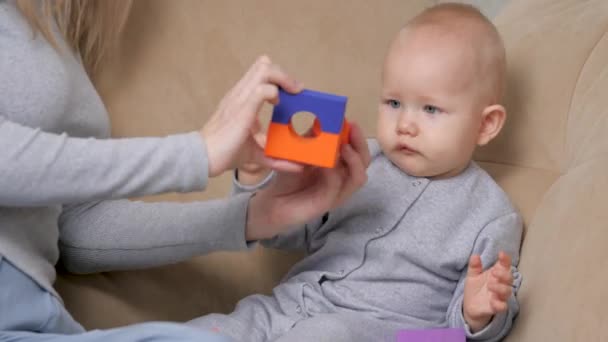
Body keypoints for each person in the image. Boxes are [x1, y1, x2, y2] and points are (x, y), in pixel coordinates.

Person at [0, 0, 370, 341]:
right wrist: (197, 153)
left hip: (34, 322)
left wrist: (254, 216)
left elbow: (77, 232)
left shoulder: (61, 38)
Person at [184, 3, 523, 342]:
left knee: (326, 333)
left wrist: (476, 314)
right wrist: (256, 176)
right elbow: (279, 230)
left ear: (485, 124)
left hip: (381, 331)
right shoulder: (358, 158)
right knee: (214, 328)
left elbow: (460, 333)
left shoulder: (492, 215)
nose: (405, 124)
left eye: (430, 109)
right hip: (292, 304)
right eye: (393, 103)